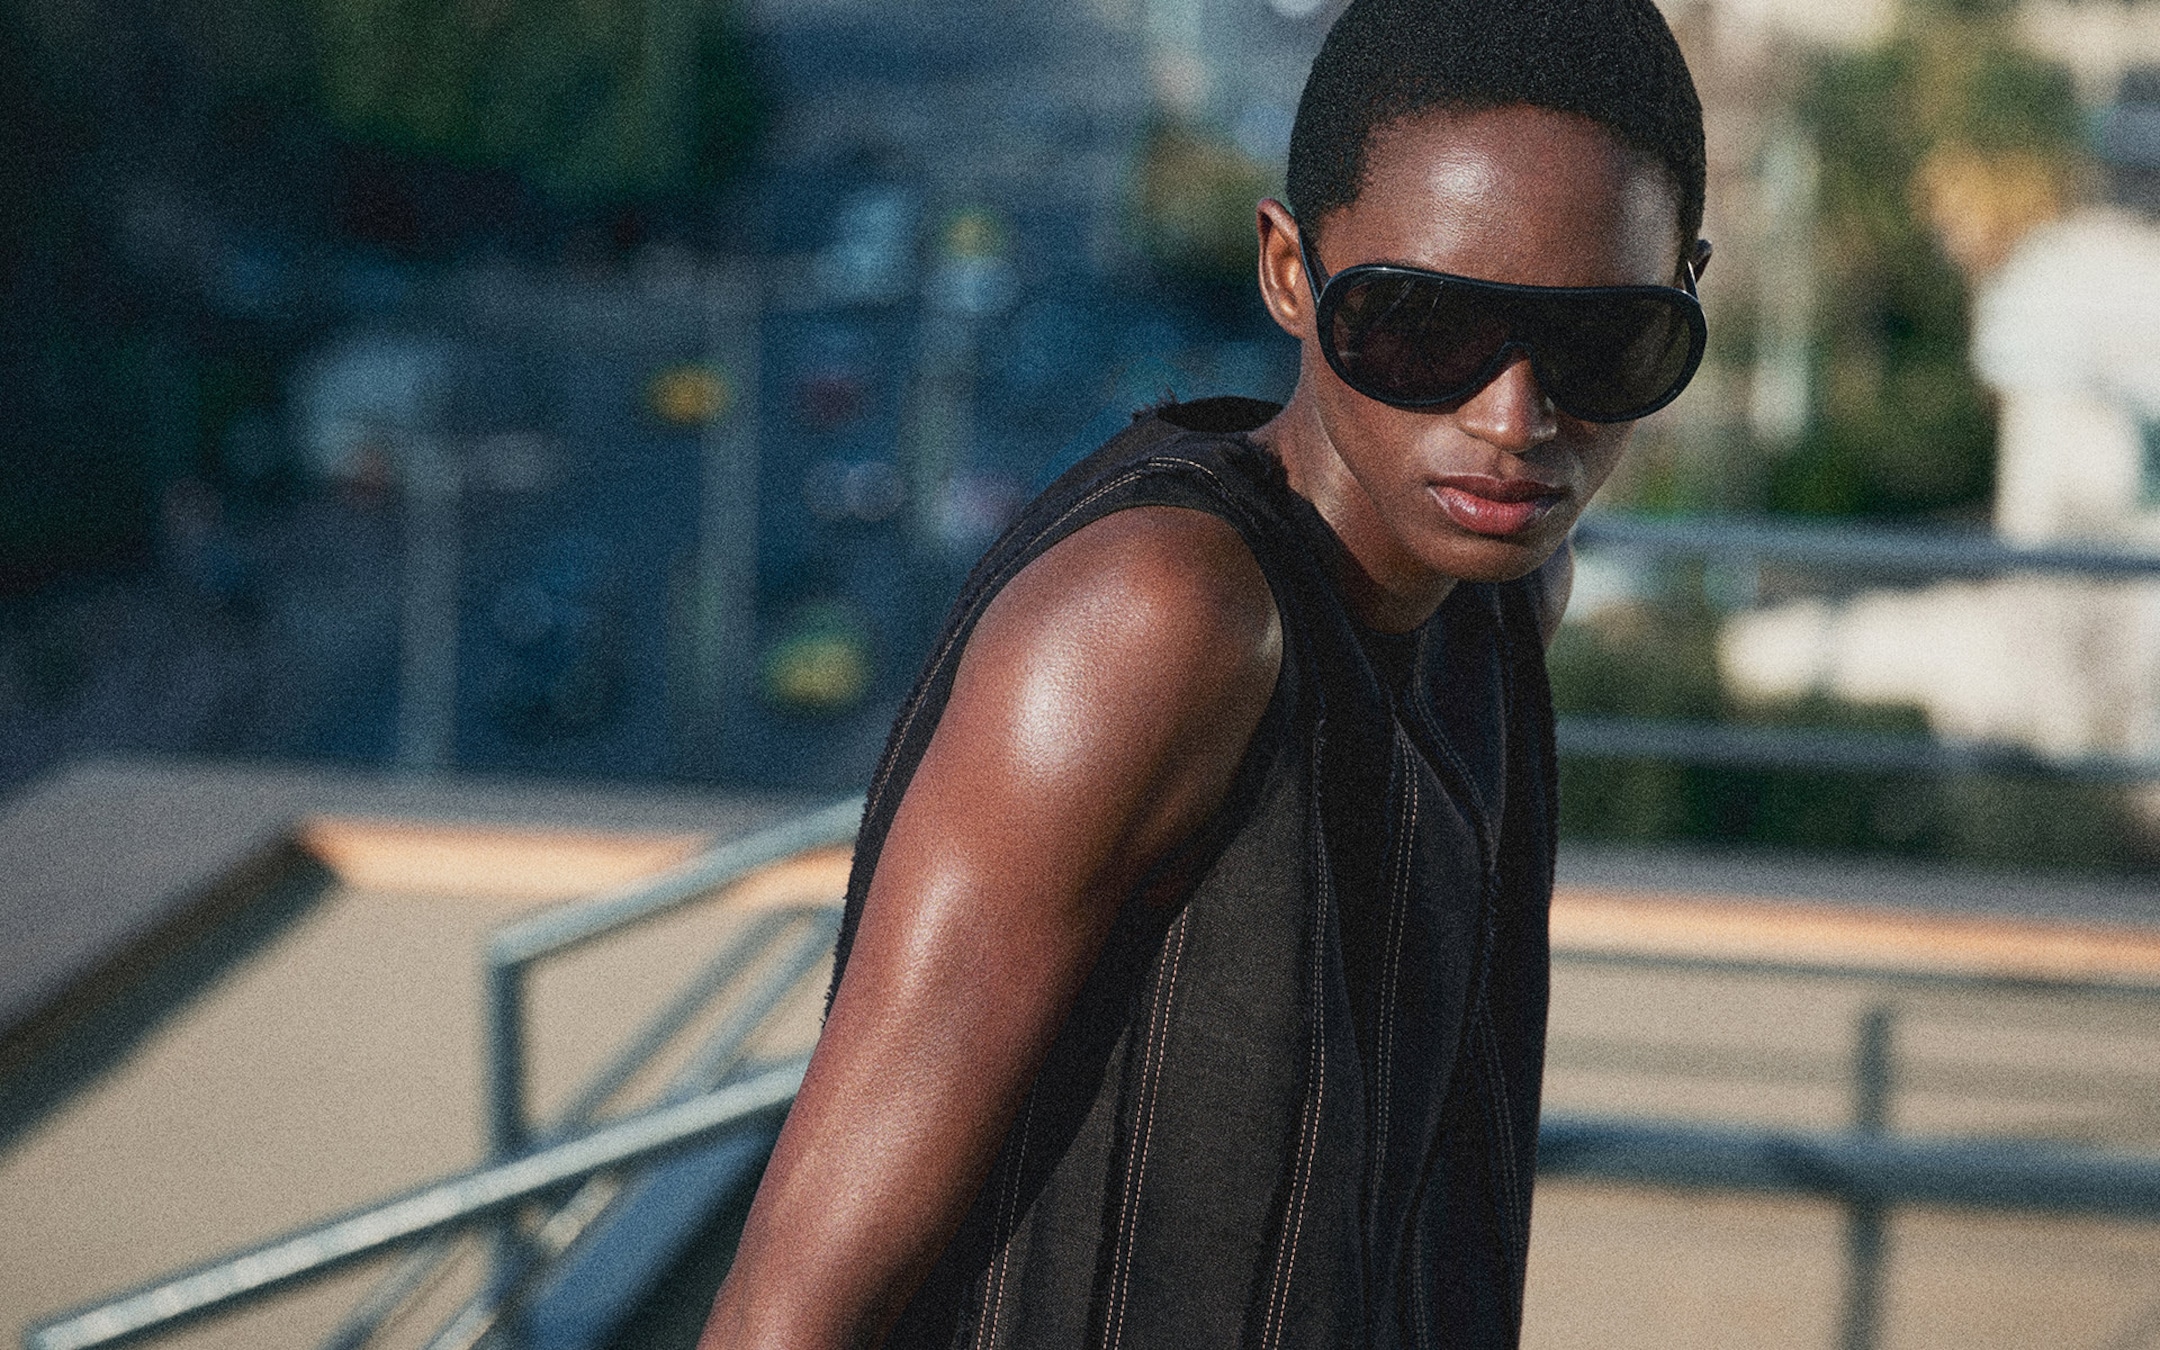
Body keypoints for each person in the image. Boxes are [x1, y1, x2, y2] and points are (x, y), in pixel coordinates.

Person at [700, 0, 1709, 1344]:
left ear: (1689, 292)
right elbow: (793, 1303)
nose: (1513, 419)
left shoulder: (1503, 597)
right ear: (1290, 271)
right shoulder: (1164, 620)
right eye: (1419, 327)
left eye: (1601, 345)